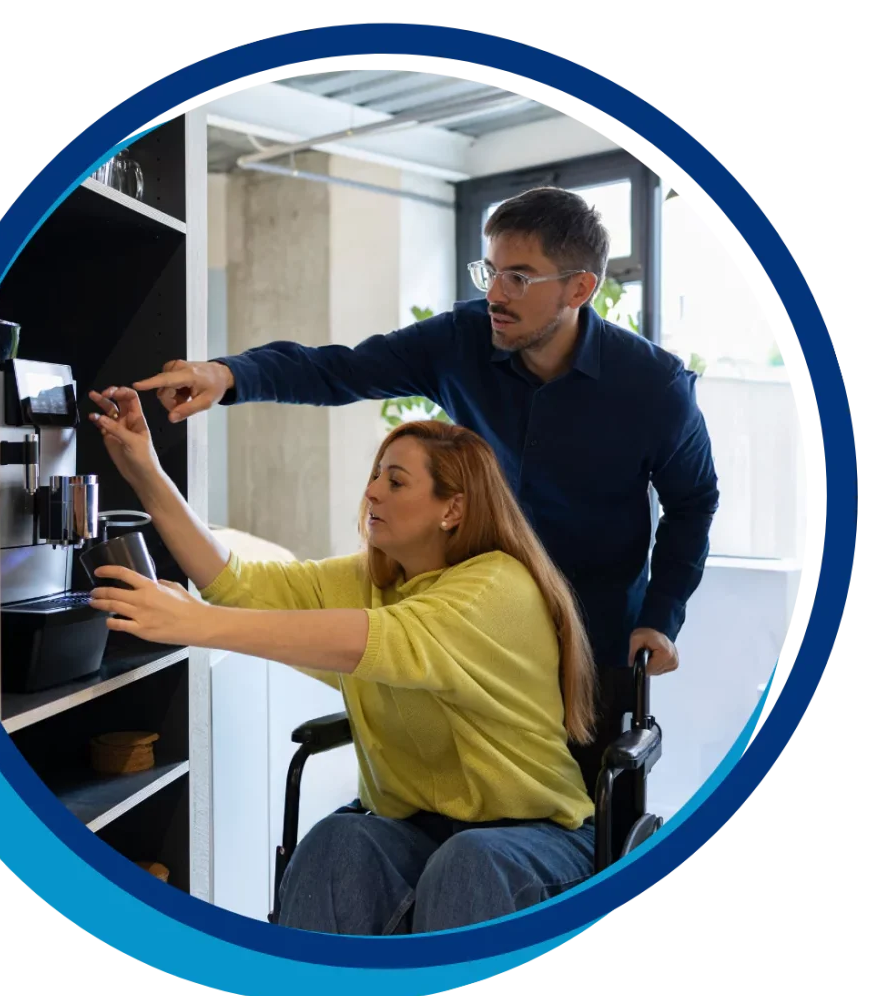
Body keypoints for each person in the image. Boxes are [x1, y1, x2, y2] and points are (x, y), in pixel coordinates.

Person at [130, 185, 720, 805]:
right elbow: (340, 369)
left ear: (580, 289)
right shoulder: (464, 338)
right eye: (490, 270)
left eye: (520, 277)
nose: (495, 293)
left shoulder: (655, 387)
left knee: (580, 825)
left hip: (593, 641)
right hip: (472, 623)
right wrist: (228, 376)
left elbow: (693, 503)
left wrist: (662, 616)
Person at [86, 385, 601, 934]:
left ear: (453, 508)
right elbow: (235, 583)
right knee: (336, 843)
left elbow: (378, 637)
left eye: (395, 481)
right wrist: (144, 469)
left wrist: (196, 625)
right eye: (376, 475)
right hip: (418, 833)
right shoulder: (369, 579)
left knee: (467, 862)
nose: (372, 492)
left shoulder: (496, 587)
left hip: (536, 841)